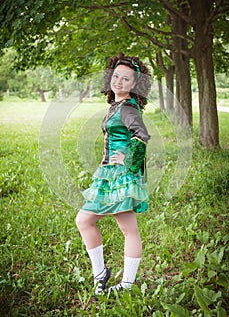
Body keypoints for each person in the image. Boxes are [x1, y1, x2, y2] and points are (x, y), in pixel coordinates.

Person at [76, 53, 151, 298]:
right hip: (109, 174)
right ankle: (101, 274)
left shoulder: (128, 107)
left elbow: (141, 135)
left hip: (119, 177)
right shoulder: (117, 105)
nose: (118, 81)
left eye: (126, 79)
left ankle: (126, 285)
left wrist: (127, 160)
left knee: (128, 230)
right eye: (116, 76)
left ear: (134, 84)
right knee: (85, 221)